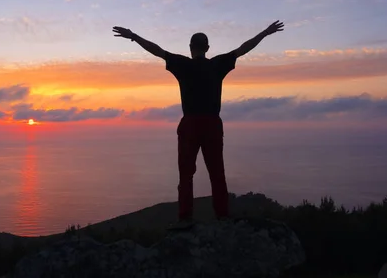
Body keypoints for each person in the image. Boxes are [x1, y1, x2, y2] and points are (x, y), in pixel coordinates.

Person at [112, 20, 284, 229]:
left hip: (190, 125)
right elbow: (243, 49)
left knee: (186, 173)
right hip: (212, 124)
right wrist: (264, 33)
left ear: (191, 48)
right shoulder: (217, 64)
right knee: (216, 172)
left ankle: (185, 219)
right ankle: (222, 216)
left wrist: (134, 36)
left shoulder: (182, 64)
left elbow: (157, 50)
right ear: (207, 48)